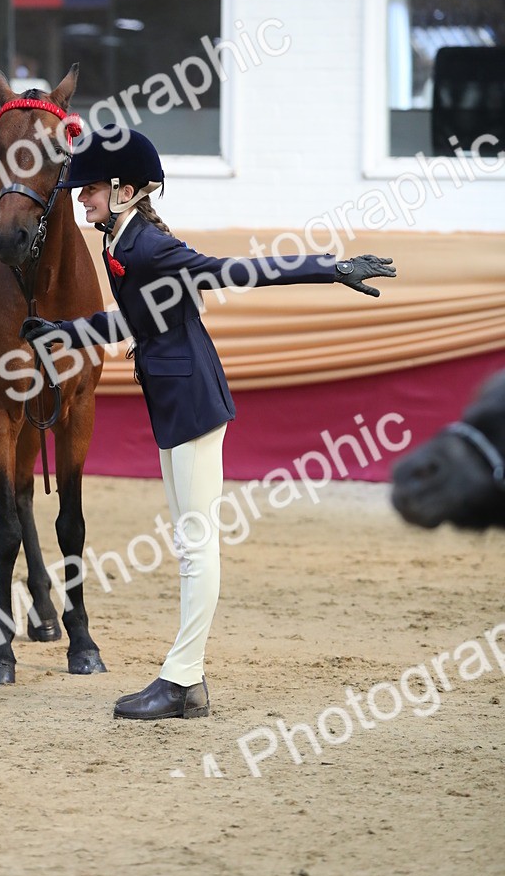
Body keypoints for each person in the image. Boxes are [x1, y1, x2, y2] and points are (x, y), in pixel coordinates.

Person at [20, 127, 396, 721]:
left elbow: (236, 271)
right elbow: (135, 321)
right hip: (174, 403)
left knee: (196, 546)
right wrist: (61, 334)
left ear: (122, 190)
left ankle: (183, 680)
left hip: (191, 402)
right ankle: (184, 680)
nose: (79, 199)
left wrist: (330, 269)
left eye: (87, 189)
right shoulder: (121, 240)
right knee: (187, 541)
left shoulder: (147, 248)